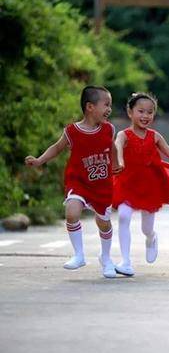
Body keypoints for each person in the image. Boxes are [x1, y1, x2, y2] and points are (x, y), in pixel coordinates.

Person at [25, 85, 121, 278]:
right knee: (71, 212)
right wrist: (39, 160)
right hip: (78, 182)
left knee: (103, 223)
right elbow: (56, 147)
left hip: (102, 184)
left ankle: (106, 257)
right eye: (106, 104)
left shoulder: (109, 129)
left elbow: (112, 148)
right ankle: (79, 254)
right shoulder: (72, 131)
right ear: (90, 107)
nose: (109, 109)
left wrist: (117, 164)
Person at [112, 92, 169, 276]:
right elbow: (117, 146)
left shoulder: (155, 136)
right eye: (140, 111)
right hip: (127, 182)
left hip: (149, 184)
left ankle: (151, 238)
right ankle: (125, 261)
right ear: (130, 112)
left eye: (150, 112)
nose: (145, 116)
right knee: (124, 216)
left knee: (146, 228)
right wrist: (119, 161)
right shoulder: (123, 134)